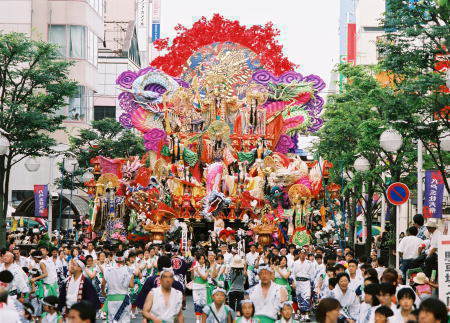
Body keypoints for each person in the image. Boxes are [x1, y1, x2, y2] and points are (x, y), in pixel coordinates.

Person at [101, 252, 135, 322]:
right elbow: (131, 285)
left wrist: (103, 292)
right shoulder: (128, 270)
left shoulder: (108, 269)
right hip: (124, 298)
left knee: (112, 320)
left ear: (115, 260)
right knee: (124, 320)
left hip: (111, 299)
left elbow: (102, 284)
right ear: (124, 260)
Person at [291, 249, 314, 320]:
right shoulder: (295, 263)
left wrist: (311, 283)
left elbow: (312, 274)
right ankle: (301, 314)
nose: (302, 255)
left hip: (306, 282)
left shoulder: (309, 263)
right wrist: (293, 282)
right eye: (301, 253)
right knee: (299, 298)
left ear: (306, 254)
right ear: (299, 254)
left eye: (304, 253)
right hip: (298, 282)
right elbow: (293, 274)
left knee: (306, 298)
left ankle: (306, 314)